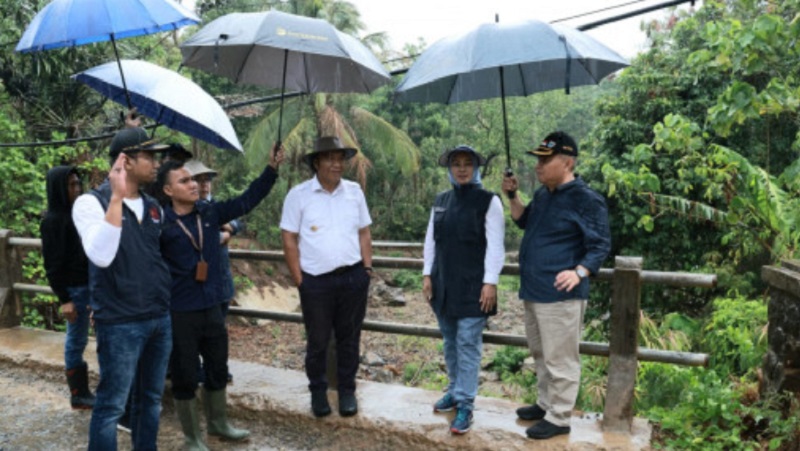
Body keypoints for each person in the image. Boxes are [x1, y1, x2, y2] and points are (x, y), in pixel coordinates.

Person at [158, 146, 284, 450]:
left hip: (212, 305)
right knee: (186, 374)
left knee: (217, 365)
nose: (193, 184)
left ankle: (218, 423)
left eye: (193, 180)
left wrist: (271, 170)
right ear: (167, 190)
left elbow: (246, 201)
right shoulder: (160, 225)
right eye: (184, 181)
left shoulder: (210, 213)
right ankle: (192, 438)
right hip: (180, 311)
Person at [501, 131, 611, 440]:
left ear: (567, 162)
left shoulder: (587, 199)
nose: (538, 165)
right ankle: (546, 403)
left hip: (561, 294)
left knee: (560, 357)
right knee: (540, 352)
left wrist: (579, 272)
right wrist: (512, 196)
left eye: (545, 160)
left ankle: (560, 416)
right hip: (534, 289)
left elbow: (600, 245)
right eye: (538, 159)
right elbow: (523, 221)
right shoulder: (542, 194)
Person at [73, 127, 173, 450]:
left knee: (151, 401)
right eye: (149, 156)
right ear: (125, 161)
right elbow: (101, 256)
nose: (156, 163)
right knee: (112, 406)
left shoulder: (153, 206)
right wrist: (116, 197)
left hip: (158, 318)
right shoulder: (91, 203)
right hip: (119, 323)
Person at [280, 136, 372, 418]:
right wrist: (300, 280)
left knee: (349, 337)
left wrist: (366, 270)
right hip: (315, 281)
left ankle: (347, 391)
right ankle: (318, 392)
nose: (337, 164)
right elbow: (289, 238)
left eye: (340, 158)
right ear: (316, 162)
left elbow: (364, 232)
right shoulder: (299, 195)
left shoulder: (355, 191)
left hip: (352, 277)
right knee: (318, 340)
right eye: (330, 158)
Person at [422, 145, 505, 435]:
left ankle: (466, 404)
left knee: (468, 343)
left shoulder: (489, 201)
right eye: (455, 163)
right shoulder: (441, 200)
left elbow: (496, 245)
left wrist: (490, 281)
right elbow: (431, 241)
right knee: (449, 341)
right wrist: (426, 274)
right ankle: (454, 391)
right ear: (449, 169)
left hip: (475, 286)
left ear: (476, 168)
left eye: (467, 163)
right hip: (443, 283)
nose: (461, 168)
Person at [40, 165, 94, 410]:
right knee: (76, 340)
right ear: (59, 189)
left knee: (101, 336)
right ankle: (78, 393)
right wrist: (64, 299)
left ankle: (88, 391)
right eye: (71, 185)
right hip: (74, 290)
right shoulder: (53, 221)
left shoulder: (79, 214)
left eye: (78, 183)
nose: (77, 188)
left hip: (91, 284)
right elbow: (52, 264)